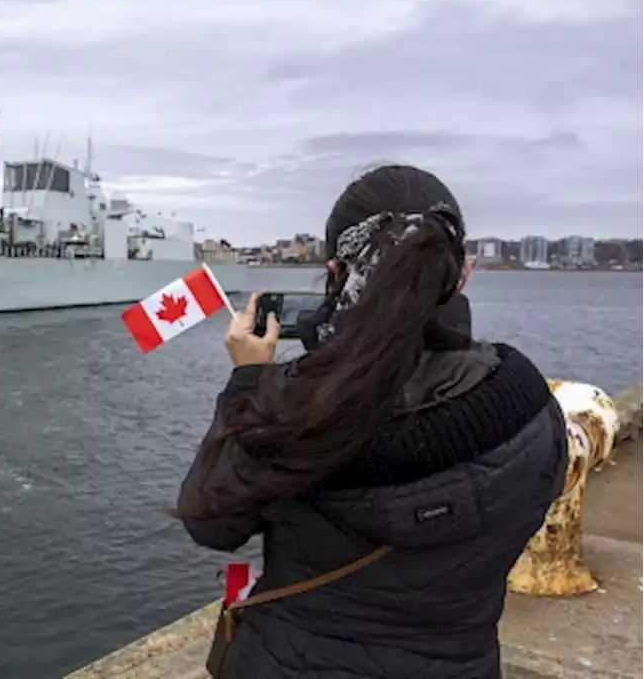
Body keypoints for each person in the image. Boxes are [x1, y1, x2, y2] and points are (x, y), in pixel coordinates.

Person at [174, 165, 567, 679]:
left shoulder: (294, 406)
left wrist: (248, 382)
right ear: (461, 273)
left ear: (335, 274)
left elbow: (210, 521)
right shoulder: (522, 395)